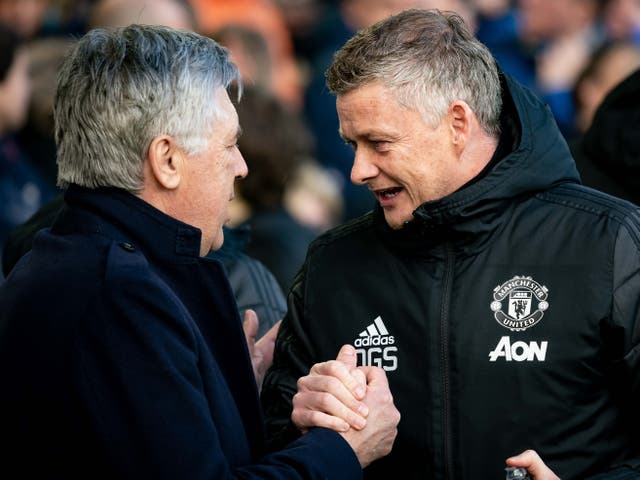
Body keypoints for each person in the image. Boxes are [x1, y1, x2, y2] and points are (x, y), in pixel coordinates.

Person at [0, 24, 400, 478]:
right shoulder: (119, 294)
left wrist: (222, 392)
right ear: (167, 160)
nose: (242, 167)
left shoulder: (69, 258)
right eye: (229, 145)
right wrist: (344, 449)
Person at [261, 8, 640, 480]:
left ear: (458, 123)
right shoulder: (333, 264)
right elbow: (274, 441)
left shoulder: (608, 242)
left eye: (378, 143)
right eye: (351, 144)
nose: (358, 170)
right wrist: (305, 422)